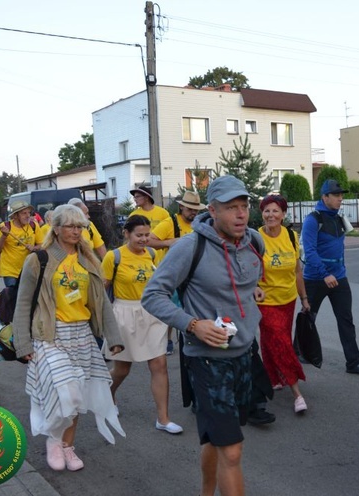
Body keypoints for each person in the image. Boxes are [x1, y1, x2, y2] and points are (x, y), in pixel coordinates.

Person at [142, 175, 264, 496]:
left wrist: (250, 298)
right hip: (207, 361)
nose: (241, 214)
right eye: (231, 208)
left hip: (244, 355)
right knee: (233, 450)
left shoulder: (254, 241)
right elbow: (153, 294)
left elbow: (245, 280)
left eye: (244, 206)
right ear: (212, 210)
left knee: (217, 439)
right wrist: (193, 324)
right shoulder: (189, 246)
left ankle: (206, 492)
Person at [12, 204, 125, 472]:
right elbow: (23, 304)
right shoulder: (39, 260)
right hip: (50, 334)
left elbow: (102, 304)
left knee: (79, 397)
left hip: (83, 335)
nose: (77, 231)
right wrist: (23, 344)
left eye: (81, 227)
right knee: (68, 392)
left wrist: (114, 336)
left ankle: (67, 446)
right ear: (57, 228)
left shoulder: (88, 261)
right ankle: (54, 440)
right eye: (71, 226)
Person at [102, 215, 182, 435]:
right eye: (139, 235)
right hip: (123, 314)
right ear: (126, 233)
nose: (145, 239)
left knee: (159, 365)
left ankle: (163, 419)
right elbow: (101, 290)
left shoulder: (153, 254)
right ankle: (107, 396)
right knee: (122, 369)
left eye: (147, 234)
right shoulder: (113, 257)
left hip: (152, 313)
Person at [301, 179, 359, 375]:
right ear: (325, 197)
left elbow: (338, 248)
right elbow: (309, 251)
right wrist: (324, 274)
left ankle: (354, 362)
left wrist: (339, 270)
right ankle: (298, 352)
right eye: (336, 195)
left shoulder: (339, 219)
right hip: (316, 278)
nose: (341, 198)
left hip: (339, 278)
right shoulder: (312, 220)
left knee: (346, 320)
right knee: (308, 319)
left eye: (341, 195)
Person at [257, 194, 309, 414]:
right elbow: (246, 268)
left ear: (283, 214)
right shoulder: (255, 238)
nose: (270, 215)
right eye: (266, 211)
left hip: (288, 299)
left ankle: (272, 377)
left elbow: (297, 270)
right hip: (265, 301)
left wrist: (304, 298)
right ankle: (296, 392)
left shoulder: (290, 235)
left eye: (275, 211)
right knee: (282, 343)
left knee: (276, 340)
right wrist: (252, 287)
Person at [148, 190, 205, 355]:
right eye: (190, 209)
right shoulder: (170, 223)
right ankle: (167, 340)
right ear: (181, 207)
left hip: (195, 275)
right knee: (171, 308)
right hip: (174, 273)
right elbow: (150, 241)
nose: (193, 212)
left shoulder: (200, 224)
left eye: (196, 209)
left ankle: (192, 336)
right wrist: (171, 242)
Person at [0, 200, 44, 287]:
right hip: (10, 271)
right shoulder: (5, 226)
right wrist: (4, 236)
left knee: (27, 298)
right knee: (13, 297)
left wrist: (34, 248)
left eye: (29, 212)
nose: (28, 216)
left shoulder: (34, 226)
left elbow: (42, 245)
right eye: (24, 213)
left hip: (28, 269)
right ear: (15, 215)